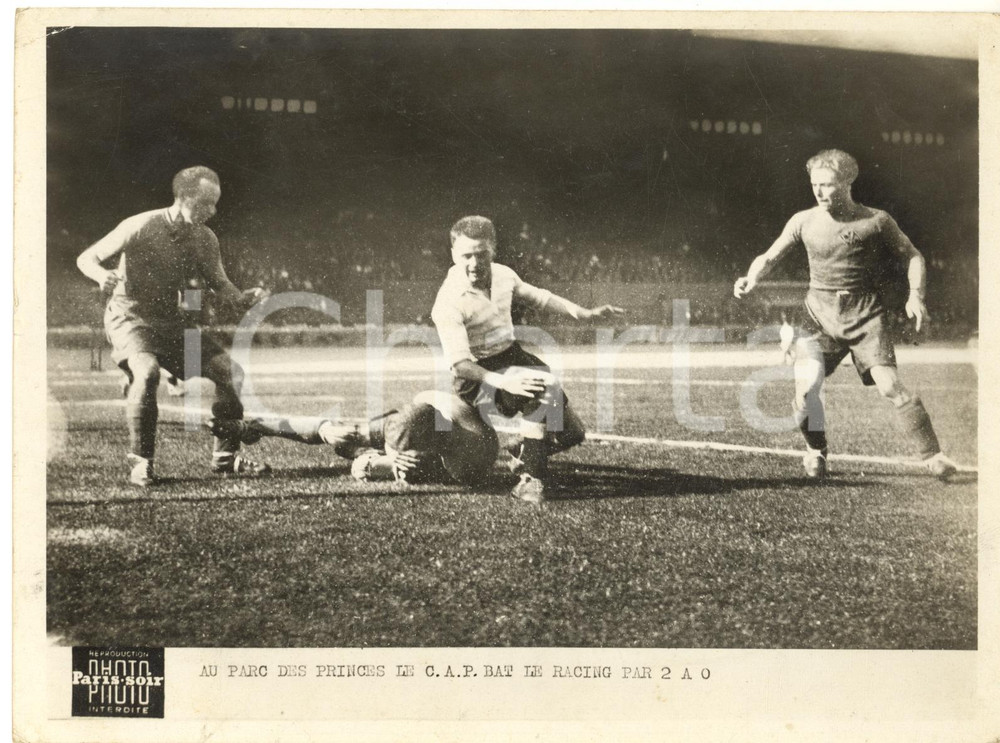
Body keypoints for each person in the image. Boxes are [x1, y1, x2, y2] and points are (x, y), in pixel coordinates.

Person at [733, 149, 956, 479]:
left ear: (849, 181)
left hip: (865, 317)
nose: (820, 192)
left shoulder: (876, 221)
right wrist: (752, 277)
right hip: (818, 317)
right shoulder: (803, 221)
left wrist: (916, 296)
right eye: (815, 185)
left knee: (891, 387)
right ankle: (816, 451)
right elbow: (769, 256)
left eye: (828, 185)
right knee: (806, 391)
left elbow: (913, 256)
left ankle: (934, 456)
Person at [77, 166, 270, 486]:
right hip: (131, 318)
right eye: (207, 202)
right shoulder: (140, 225)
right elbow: (87, 258)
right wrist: (102, 276)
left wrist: (243, 298)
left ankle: (225, 456)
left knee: (229, 371)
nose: (213, 211)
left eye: (216, 203)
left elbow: (221, 285)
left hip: (172, 323)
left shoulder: (205, 238)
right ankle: (142, 461)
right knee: (148, 372)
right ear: (183, 197)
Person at [431, 215, 625, 502]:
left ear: (493, 250)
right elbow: (460, 365)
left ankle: (523, 448)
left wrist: (584, 313)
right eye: (466, 255)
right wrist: (503, 381)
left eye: (481, 254)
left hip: (511, 356)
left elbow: (541, 298)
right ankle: (530, 480)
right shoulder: (448, 301)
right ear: (453, 255)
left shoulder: (504, 275)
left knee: (573, 434)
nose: (474, 263)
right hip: (477, 377)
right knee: (538, 388)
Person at [209, 390, 501, 486]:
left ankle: (258, 427)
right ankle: (257, 427)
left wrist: (383, 463)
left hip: (427, 453)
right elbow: (422, 404)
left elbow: (376, 468)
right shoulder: (442, 409)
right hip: (409, 425)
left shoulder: (467, 462)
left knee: (360, 461)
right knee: (342, 432)